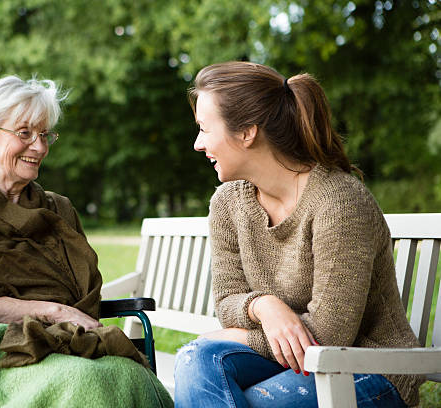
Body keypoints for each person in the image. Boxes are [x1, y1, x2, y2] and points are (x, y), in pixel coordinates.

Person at [0, 75, 172, 407]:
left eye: (45, 135)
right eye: (25, 133)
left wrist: (59, 320)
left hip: (63, 341)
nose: (40, 147)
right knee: (84, 382)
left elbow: (83, 294)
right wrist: (51, 311)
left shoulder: (57, 209)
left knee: (131, 374)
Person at [173, 61, 424, 407]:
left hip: (367, 367)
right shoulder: (227, 203)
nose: (198, 144)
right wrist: (265, 306)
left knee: (254, 400)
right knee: (196, 359)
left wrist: (234, 336)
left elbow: (329, 337)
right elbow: (227, 301)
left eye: (204, 128)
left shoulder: (338, 202)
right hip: (290, 361)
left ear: (247, 132)